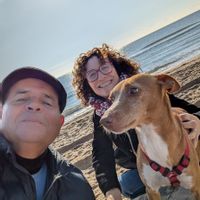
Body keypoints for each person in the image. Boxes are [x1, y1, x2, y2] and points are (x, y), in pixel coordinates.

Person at [72, 44, 200, 200]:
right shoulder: (100, 115)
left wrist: (197, 119)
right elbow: (101, 155)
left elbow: (190, 109)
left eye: (104, 67)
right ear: (87, 84)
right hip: (146, 166)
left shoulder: (147, 86)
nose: (100, 76)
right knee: (125, 184)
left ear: (116, 67)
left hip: (181, 155)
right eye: (91, 74)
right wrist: (110, 190)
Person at [0, 67, 95, 200]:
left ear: (59, 122)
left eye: (46, 102)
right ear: (1, 111)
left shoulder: (77, 186)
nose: (34, 105)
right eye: (21, 98)